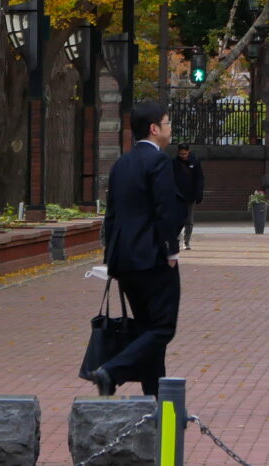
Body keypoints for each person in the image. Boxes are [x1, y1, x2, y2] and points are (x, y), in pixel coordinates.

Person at [93, 101, 188, 394]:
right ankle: (111, 371)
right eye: (168, 122)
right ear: (154, 128)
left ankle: (154, 398)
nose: (171, 129)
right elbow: (165, 210)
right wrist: (171, 250)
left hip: (125, 259)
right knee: (162, 328)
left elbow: (111, 215)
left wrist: (111, 255)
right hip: (153, 258)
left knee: (147, 328)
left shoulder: (121, 164)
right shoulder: (159, 162)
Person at [172, 143, 206, 251]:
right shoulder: (173, 163)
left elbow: (199, 179)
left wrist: (199, 193)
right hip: (177, 196)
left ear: (189, 151)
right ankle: (176, 240)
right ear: (178, 152)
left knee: (189, 221)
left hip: (190, 196)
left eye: (185, 154)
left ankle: (186, 242)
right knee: (177, 219)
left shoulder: (195, 162)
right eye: (181, 154)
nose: (183, 156)